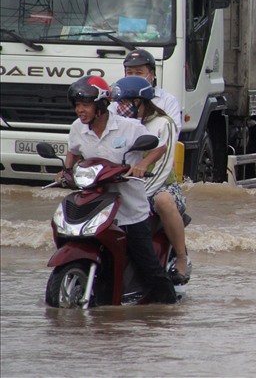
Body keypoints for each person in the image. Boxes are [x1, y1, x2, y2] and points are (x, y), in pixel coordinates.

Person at [58, 76, 177, 303]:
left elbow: (158, 147)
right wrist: (67, 169)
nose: (79, 110)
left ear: (101, 106)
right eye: (77, 105)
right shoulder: (77, 128)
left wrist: (142, 165)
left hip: (130, 209)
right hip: (96, 204)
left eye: (85, 105)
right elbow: (73, 150)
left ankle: (168, 310)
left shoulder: (128, 127)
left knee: (149, 268)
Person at [111, 76, 191, 284]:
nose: (119, 108)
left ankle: (182, 258)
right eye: (117, 103)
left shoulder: (163, 124)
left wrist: (140, 197)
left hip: (158, 187)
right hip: (125, 186)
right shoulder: (120, 125)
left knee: (163, 201)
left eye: (124, 103)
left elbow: (163, 167)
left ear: (139, 102)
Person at [111, 49, 182, 132]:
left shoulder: (167, 100)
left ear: (152, 75)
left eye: (139, 73)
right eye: (129, 73)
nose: (134, 77)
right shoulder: (118, 100)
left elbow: (173, 131)